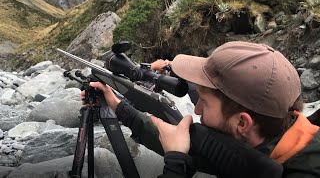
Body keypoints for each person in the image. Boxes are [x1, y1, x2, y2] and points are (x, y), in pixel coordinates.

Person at [83, 41, 320, 177]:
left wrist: (175, 164)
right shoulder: (276, 140)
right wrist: (116, 104)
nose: (195, 110)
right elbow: (201, 146)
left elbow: (195, 147)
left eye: (203, 102)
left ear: (242, 123)